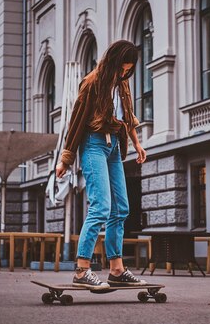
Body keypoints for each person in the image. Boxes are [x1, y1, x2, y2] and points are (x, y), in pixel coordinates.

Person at [56, 39, 148, 289]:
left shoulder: (123, 85)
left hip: (114, 148)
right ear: (113, 62)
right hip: (93, 144)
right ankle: (82, 270)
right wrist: (66, 158)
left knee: (121, 209)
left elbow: (127, 117)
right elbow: (76, 121)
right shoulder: (92, 82)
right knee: (101, 207)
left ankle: (117, 270)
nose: (125, 73)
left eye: (128, 70)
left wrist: (137, 143)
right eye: (122, 68)